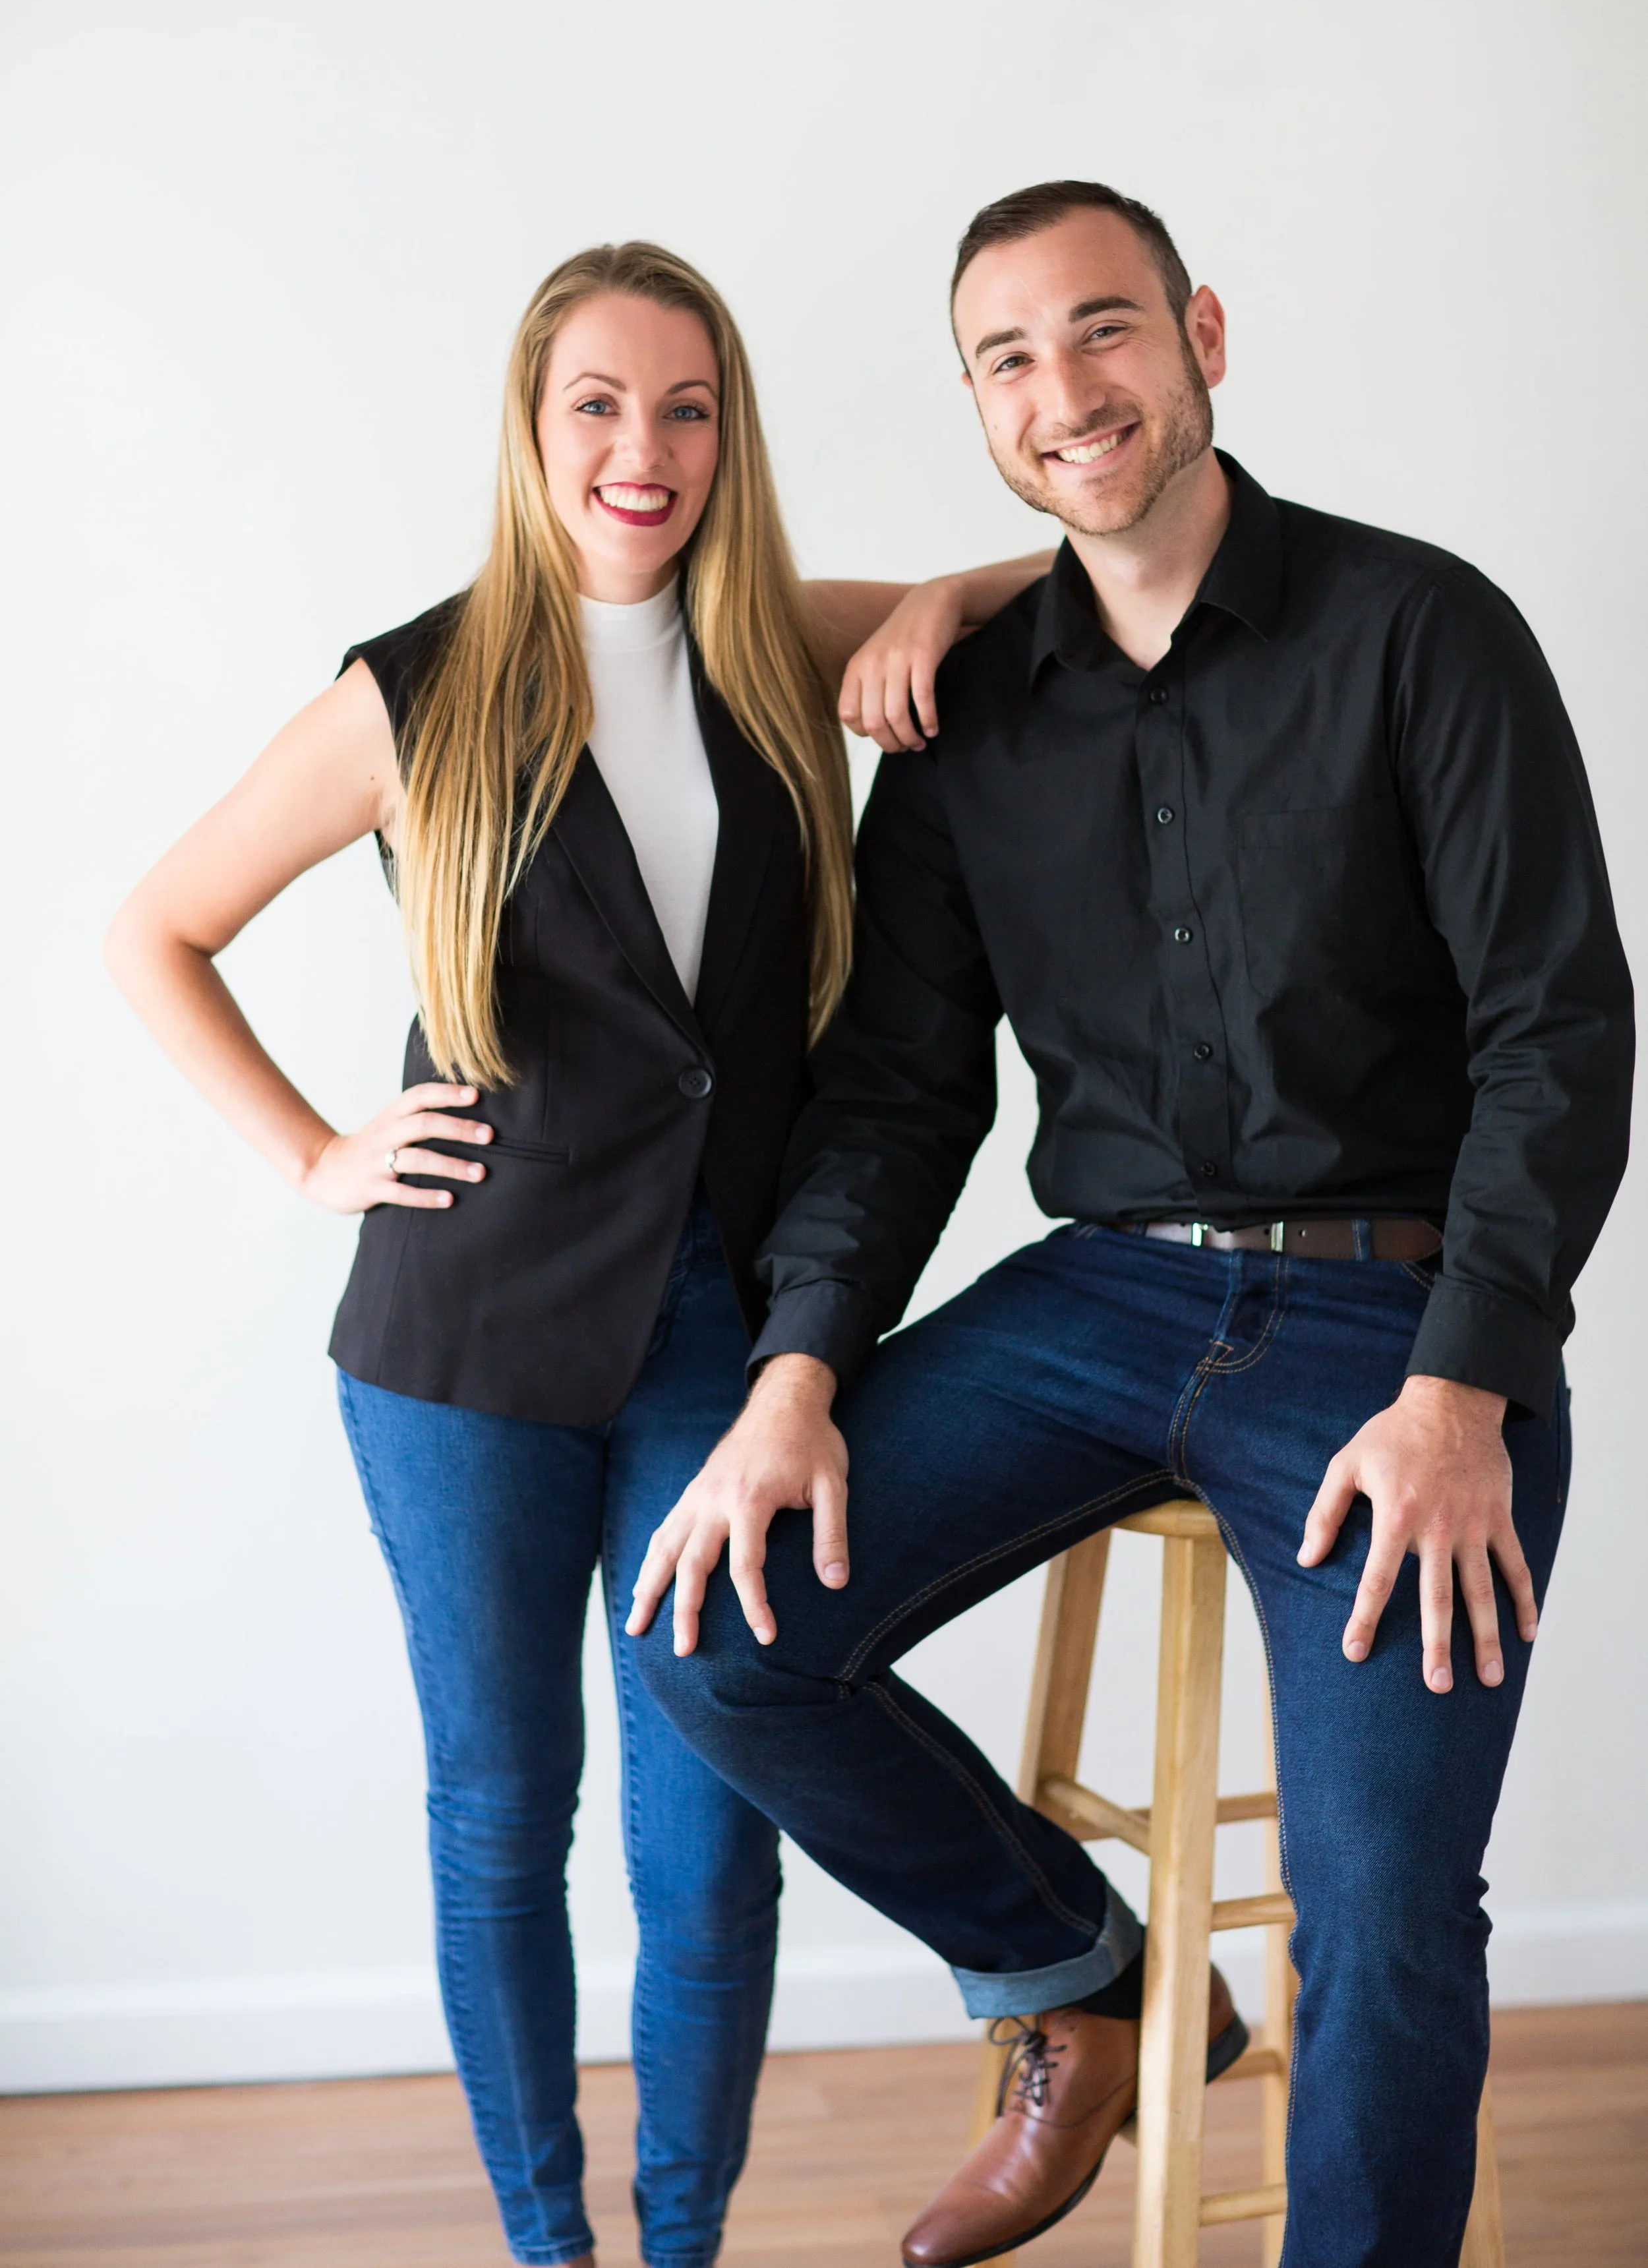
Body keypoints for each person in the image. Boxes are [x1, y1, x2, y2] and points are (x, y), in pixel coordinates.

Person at [626, 183, 1635, 2268]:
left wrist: (1463, 1386)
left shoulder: (1418, 629)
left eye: (1102, 329)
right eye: (1006, 357)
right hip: (1097, 1299)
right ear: (976, 405)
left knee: (1383, 1893)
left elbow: (1558, 1030)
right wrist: (793, 1377)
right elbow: (901, 1092)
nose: (1063, 389)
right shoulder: (968, 708)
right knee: (714, 1633)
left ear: (1201, 338)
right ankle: (1089, 1981)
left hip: (1393, 1329)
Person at [103, 239, 1047, 2268]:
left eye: (687, 407)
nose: (646, 447)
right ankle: (552, 2247)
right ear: (531, 428)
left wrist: (934, 604)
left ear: (727, 436)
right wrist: (312, 1154)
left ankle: (680, 2248)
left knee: (709, 1840)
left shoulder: (771, 638)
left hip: (719, 1329)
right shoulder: (411, 691)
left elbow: (1040, 583)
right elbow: (154, 928)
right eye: (600, 403)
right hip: (462, 1337)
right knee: (501, 1810)